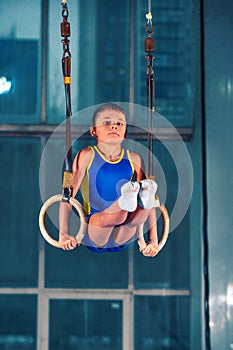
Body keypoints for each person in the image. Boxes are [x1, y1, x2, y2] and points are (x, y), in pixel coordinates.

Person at [59, 103, 159, 257]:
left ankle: (130, 201)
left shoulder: (135, 160)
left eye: (119, 123)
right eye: (106, 122)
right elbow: (67, 196)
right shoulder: (86, 155)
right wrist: (63, 234)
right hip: (95, 224)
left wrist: (153, 240)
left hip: (123, 230)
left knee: (137, 216)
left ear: (125, 131)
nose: (114, 126)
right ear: (94, 131)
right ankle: (126, 200)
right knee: (106, 219)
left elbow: (152, 204)